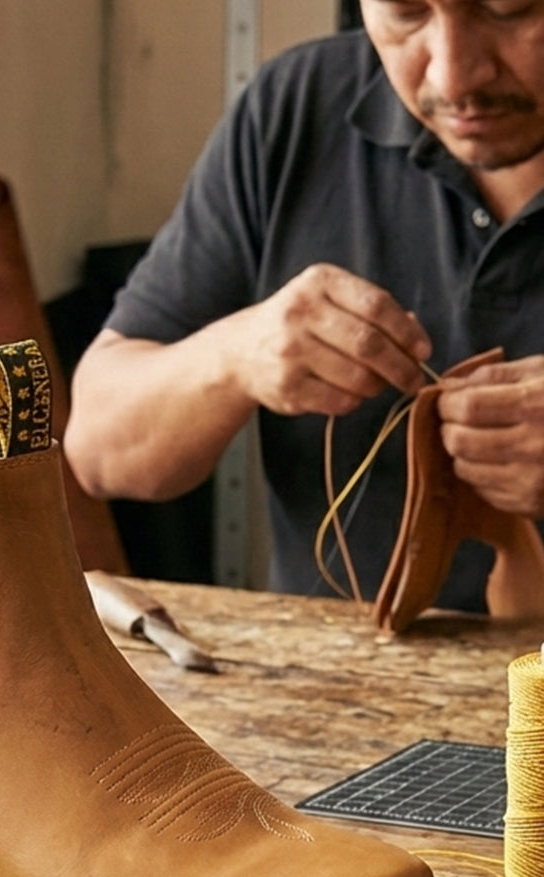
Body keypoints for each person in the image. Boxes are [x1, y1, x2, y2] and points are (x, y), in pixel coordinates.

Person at [65, 0, 544, 609]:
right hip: (336, 663)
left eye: (507, 8)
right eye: (406, 12)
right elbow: (100, 451)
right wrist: (237, 354)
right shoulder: (297, 107)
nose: (454, 77)